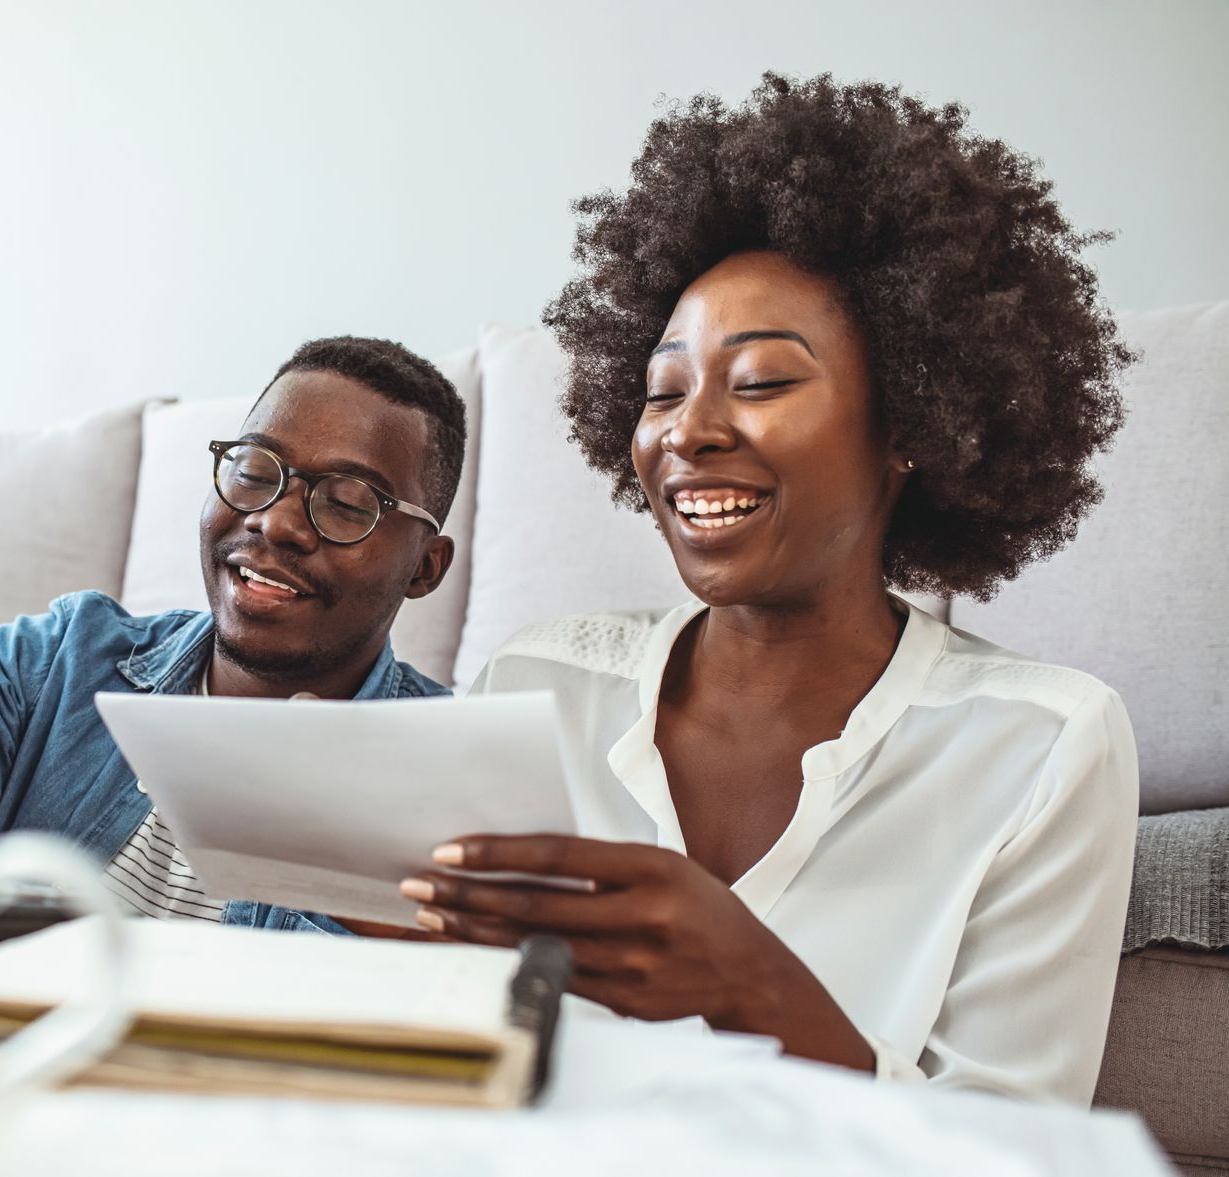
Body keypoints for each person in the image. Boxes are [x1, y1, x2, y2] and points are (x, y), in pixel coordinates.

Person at [394, 74, 1138, 1105]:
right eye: (662, 390)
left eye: (762, 383)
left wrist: (755, 987)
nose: (687, 431)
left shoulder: (1046, 744)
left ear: (913, 422)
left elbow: (1017, 1176)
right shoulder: (534, 680)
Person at [0, 335, 462, 927]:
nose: (275, 520)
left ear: (424, 567)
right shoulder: (63, 663)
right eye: (255, 468)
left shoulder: (460, 775)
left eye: (347, 502)